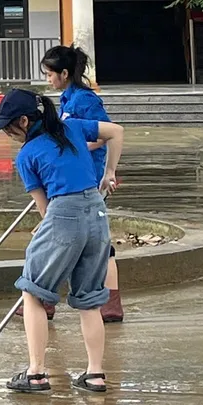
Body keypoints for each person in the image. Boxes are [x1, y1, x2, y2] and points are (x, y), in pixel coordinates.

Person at [0, 88, 124, 393]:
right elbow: (116, 131)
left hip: (63, 215)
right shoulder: (73, 127)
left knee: (33, 292)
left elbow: (45, 208)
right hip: (97, 214)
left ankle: (35, 374)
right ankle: (95, 375)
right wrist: (109, 173)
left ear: (23, 121)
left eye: (8, 126)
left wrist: (47, 229)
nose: (6, 133)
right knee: (89, 299)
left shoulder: (27, 155)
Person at [37, 44, 124, 323]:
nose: (48, 79)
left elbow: (104, 134)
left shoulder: (86, 100)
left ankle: (108, 302)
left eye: (50, 74)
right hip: (71, 176)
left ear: (64, 73)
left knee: (85, 240)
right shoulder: (67, 99)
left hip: (89, 178)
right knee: (84, 239)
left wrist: (107, 170)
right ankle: (49, 300)